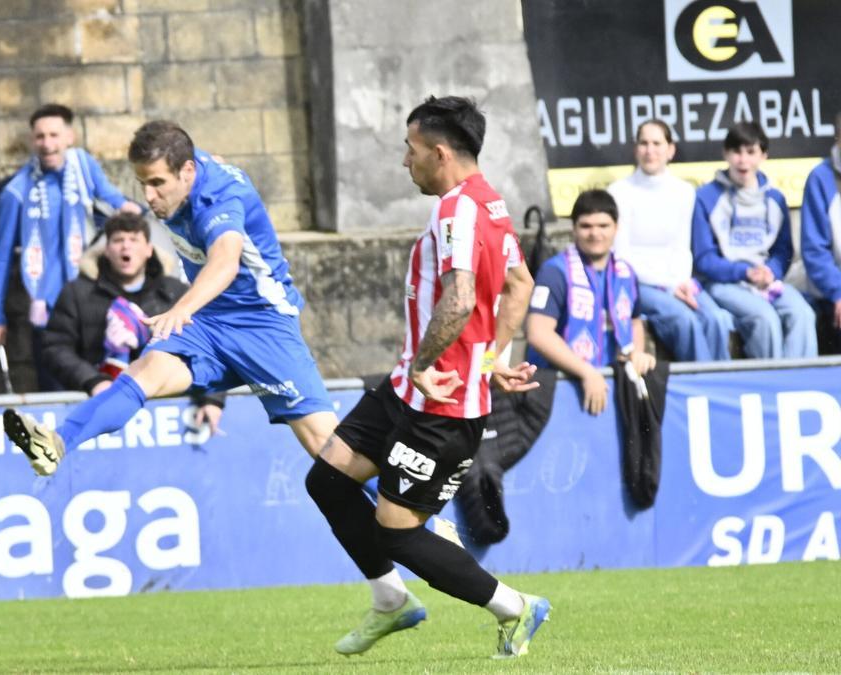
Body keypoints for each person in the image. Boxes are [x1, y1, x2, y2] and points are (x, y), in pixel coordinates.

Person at [305, 96, 549, 659]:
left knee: (397, 531)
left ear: (440, 153)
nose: (404, 161)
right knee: (328, 480)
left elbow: (461, 298)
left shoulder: (458, 210)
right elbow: (519, 284)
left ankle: (515, 607)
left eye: (410, 149)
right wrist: (490, 359)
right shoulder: (489, 203)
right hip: (406, 390)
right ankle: (391, 600)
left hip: (441, 402)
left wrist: (427, 364)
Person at [2, 118, 339, 491]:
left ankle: (391, 508)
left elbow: (225, 262)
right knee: (144, 372)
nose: (149, 196)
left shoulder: (218, 203)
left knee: (328, 451)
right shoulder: (187, 162)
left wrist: (182, 309)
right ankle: (56, 443)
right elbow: (208, 159)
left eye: (158, 183)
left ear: (187, 172)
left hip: (262, 325)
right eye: (143, 183)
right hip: (211, 323)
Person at [0, 104, 143, 391]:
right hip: (49, 312)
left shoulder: (83, 167)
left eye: (54, 135)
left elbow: (111, 198)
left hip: (92, 305)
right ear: (32, 141)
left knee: (102, 387)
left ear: (70, 137)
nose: (48, 144)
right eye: (40, 136)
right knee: (56, 391)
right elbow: (2, 256)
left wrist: (128, 208)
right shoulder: (16, 192)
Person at [39, 211, 224, 432]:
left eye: (134, 240)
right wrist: (93, 381)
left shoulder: (177, 294)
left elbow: (208, 347)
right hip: (99, 408)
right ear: (107, 250)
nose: (126, 247)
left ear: (149, 250)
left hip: (167, 412)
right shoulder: (76, 293)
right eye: (118, 240)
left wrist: (212, 399)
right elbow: (56, 348)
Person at [608, 119, 732, 361]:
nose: (650, 150)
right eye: (643, 143)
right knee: (684, 320)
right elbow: (621, 257)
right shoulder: (619, 192)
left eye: (657, 143)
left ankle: (723, 380)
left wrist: (681, 283)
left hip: (677, 282)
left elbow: (682, 247)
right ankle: (702, 381)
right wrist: (668, 286)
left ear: (671, 150)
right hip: (637, 285)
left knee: (716, 319)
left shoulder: (684, 192)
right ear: (635, 149)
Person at [691, 122, 817, 359]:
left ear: (763, 155)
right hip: (723, 283)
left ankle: (798, 378)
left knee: (802, 314)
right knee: (764, 319)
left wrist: (770, 271)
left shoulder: (775, 198)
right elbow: (704, 258)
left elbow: (783, 252)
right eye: (736, 152)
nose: (743, 160)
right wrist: (745, 272)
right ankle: (770, 379)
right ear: (725, 154)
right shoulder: (706, 197)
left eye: (751, 152)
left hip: (765, 282)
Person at [526, 189, 657, 415]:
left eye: (603, 226)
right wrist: (586, 372)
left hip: (609, 383)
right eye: (586, 226)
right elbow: (538, 333)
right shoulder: (555, 271)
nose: (595, 233)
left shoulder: (625, 272)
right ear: (574, 228)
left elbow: (635, 322)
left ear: (616, 227)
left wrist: (637, 353)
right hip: (559, 386)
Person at [787, 111, 841, 350]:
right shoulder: (821, 178)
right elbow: (815, 251)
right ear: (838, 137)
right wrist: (838, 292)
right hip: (832, 295)